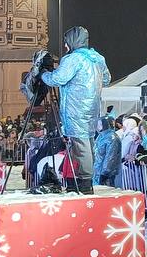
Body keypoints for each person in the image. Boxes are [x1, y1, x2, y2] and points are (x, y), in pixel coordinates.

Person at [40, 26, 111, 193]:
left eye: (66, 43)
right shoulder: (98, 58)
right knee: (84, 143)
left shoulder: (73, 59)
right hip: (92, 108)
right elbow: (107, 79)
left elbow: (58, 79)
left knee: (80, 145)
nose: (65, 46)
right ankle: (75, 179)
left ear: (71, 42)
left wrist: (43, 74)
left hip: (75, 109)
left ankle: (85, 183)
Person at [91, 116, 121, 190]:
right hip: (97, 171)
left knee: (106, 192)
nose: (98, 126)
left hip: (106, 174)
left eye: (100, 124)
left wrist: (105, 172)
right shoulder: (100, 136)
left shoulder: (112, 138)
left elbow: (111, 157)